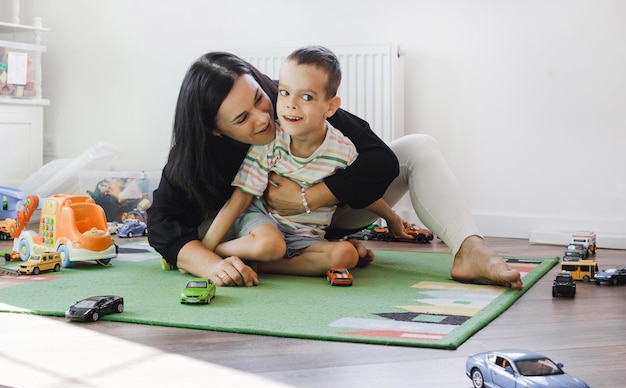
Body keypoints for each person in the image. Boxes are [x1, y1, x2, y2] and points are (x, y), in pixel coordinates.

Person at [147, 49, 522, 289]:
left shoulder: (291, 101)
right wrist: (209, 264)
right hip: (251, 228)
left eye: (262, 99)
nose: (265, 119)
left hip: (322, 220)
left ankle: (471, 250)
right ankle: (277, 256)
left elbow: (380, 161)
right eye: (243, 119)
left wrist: (309, 198)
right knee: (216, 235)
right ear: (214, 130)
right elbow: (162, 225)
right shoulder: (193, 156)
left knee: (418, 147)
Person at [202, 46, 412, 276]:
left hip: (307, 236)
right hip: (264, 223)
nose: (291, 104)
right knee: (271, 245)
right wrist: (205, 252)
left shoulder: (343, 150)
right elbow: (240, 198)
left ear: (330, 106)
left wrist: (392, 219)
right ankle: (223, 252)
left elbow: (362, 193)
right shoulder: (271, 141)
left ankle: (268, 265)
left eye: (306, 97)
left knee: (347, 256)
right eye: (284, 92)